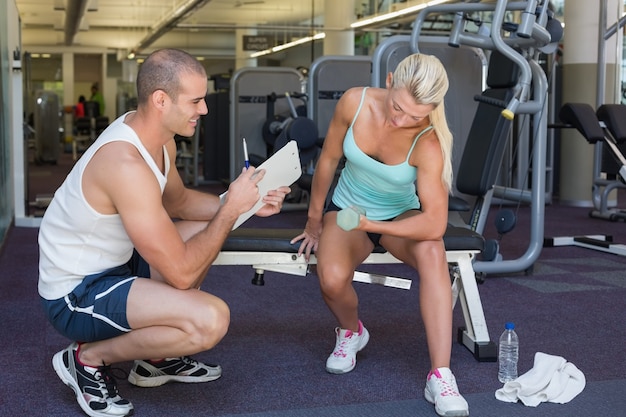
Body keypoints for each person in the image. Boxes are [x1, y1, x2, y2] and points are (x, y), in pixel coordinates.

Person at [38, 48, 291, 417]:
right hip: (76, 292)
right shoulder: (125, 163)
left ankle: (155, 356)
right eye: (196, 100)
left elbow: (180, 203)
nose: (204, 110)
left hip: (117, 265)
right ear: (161, 100)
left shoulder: (157, 138)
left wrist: (247, 202)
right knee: (210, 320)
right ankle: (87, 359)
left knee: (202, 229)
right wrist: (232, 209)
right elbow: (183, 272)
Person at [291, 53, 469, 417]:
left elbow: (434, 223)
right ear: (389, 81)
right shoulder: (354, 103)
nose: (401, 119)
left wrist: (372, 226)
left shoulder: (429, 141)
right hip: (345, 210)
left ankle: (441, 373)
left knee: (433, 251)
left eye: (415, 115)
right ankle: (351, 331)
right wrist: (314, 220)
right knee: (332, 279)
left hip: (396, 216)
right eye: (398, 107)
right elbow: (327, 160)